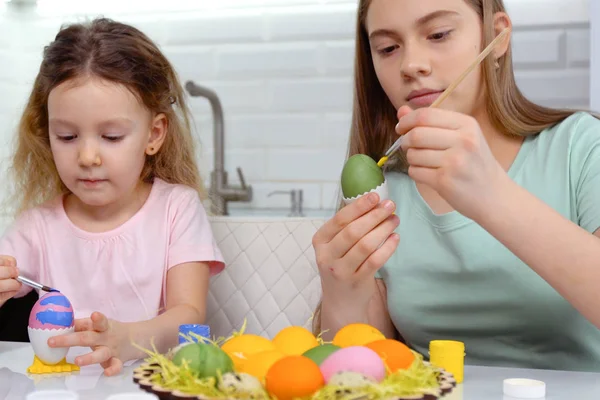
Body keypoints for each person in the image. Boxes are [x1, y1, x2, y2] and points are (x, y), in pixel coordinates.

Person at [313, 0, 600, 372]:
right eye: (387, 48)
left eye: (438, 34)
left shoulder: (581, 147)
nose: (410, 65)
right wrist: (341, 292)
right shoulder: (384, 188)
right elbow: (361, 368)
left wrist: (494, 197)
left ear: (497, 37)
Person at [0, 18, 225, 376]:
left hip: (151, 386)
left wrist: (128, 338)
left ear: (154, 134)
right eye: (68, 137)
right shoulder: (36, 226)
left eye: (112, 136)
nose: (88, 157)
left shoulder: (176, 209)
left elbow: (191, 317)